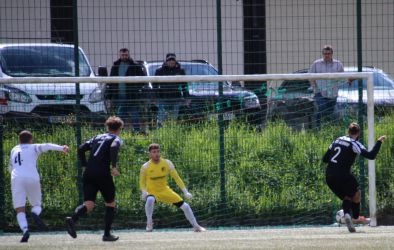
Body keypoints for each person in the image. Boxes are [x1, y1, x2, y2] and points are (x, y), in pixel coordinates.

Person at [66, 116, 124, 241]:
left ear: (107, 127)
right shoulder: (116, 138)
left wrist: (84, 165)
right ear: (119, 129)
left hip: (88, 173)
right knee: (110, 203)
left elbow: (81, 148)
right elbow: (114, 147)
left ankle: (73, 219)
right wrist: (113, 167)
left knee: (89, 204)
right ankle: (107, 234)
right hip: (102, 173)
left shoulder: (97, 137)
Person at [322, 122, 386, 233]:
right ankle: (355, 218)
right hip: (343, 174)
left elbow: (325, 159)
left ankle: (347, 215)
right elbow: (371, 155)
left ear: (348, 131)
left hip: (329, 176)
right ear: (359, 133)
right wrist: (379, 141)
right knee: (356, 194)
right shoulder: (354, 143)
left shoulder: (337, 140)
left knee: (348, 196)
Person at [9, 130, 69, 242]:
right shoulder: (34, 147)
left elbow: (10, 167)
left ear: (19, 140)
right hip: (32, 177)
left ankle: (25, 230)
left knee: (19, 208)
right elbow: (47, 146)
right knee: (37, 205)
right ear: (31, 140)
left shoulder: (14, 149)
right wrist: (62, 148)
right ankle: (34, 213)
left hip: (16, 178)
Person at [140, 143, 205, 232]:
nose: (157, 154)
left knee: (185, 206)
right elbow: (142, 182)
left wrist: (185, 191)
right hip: (152, 192)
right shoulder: (145, 166)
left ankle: (196, 226)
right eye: (154, 152)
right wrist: (144, 191)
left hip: (165, 190)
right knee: (150, 200)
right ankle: (149, 223)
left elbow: (177, 178)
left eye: (158, 151)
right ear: (150, 154)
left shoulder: (167, 163)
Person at [107, 48, 145, 133]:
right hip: (119, 96)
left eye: (126, 55)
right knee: (120, 115)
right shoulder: (115, 66)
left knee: (134, 114)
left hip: (131, 96)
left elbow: (142, 80)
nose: (124, 56)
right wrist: (111, 95)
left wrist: (135, 89)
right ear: (119, 55)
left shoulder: (135, 66)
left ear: (129, 55)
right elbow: (111, 81)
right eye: (122, 55)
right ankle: (120, 131)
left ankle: (136, 131)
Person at [309, 45, 346, 127]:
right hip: (320, 92)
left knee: (330, 111)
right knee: (322, 107)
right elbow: (311, 77)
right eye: (325, 53)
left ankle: (328, 127)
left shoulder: (338, 64)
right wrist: (315, 88)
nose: (327, 55)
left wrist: (336, 85)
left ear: (332, 54)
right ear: (322, 54)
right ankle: (318, 127)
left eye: (328, 53)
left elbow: (342, 78)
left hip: (333, 93)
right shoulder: (316, 64)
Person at [154, 53, 189, 127]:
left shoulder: (180, 71)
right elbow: (155, 86)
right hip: (163, 98)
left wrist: (187, 98)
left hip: (176, 98)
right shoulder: (159, 71)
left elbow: (184, 85)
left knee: (174, 118)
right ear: (166, 61)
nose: (171, 61)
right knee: (161, 118)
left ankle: (171, 131)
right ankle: (160, 132)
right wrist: (155, 98)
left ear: (175, 61)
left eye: (173, 59)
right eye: (169, 60)